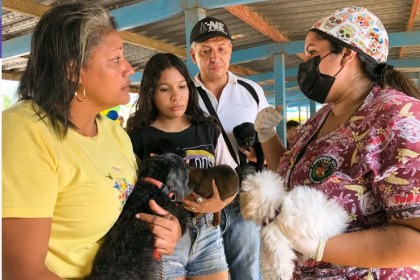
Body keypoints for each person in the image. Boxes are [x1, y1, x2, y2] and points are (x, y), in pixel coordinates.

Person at [2, 3, 182, 280]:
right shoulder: (25, 131)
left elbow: (134, 209)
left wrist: (167, 227)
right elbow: (23, 270)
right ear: (73, 71)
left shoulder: (115, 135)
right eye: (115, 59)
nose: (129, 69)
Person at [254, 6, 420, 280]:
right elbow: (290, 179)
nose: (305, 62)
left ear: (346, 53)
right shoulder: (322, 116)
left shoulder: (398, 118)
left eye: (312, 52)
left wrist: (321, 247)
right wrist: (267, 137)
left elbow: (415, 238)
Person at [126, 53, 238, 280]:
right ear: (151, 93)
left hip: (208, 235)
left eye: (182, 86)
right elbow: (130, 193)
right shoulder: (139, 138)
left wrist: (218, 203)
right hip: (164, 238)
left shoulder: (208, 129)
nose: (176, 97)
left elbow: (232, 181)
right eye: (165, 89)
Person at [185, 16, 271, 280]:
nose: (215, 57)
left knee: (246, 270)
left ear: (231, 51)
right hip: (201, 200)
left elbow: (271, 136)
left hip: (243, 198)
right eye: (206, 51)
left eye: (222, 49)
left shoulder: (252, 90)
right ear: (193, 55)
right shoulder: (184, 94)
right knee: (206, 271)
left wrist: (262, 155)